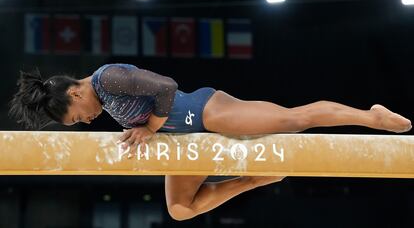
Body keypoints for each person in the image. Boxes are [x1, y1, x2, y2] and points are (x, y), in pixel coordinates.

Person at [8, 62, 412, 221]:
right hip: (185, 142)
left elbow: (167, 87)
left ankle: (370, 117)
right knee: (181, 209)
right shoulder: (102, 95)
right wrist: (148, 131)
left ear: (75, 94)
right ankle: (256, 179)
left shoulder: (107, 78)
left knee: (295, 119)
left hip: (205, 112)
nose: (87, 120)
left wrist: (148, 128)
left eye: (79, 116)